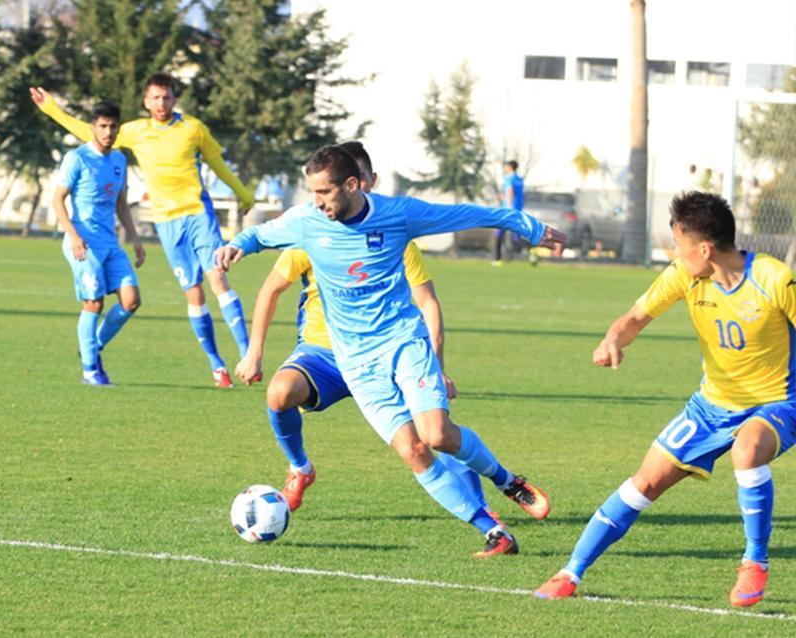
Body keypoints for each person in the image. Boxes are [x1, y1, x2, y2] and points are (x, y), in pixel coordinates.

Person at [217, 145, 567, 555]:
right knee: (413, 451)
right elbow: (262, 233)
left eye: (324, 192)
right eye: (312, 192)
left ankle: (507, 480)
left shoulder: (398, 214)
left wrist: (529, 227)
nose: (317, 202)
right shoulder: (308, 221)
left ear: (352, 185)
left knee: (437, 435)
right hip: (355, 362)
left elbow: (470, 214)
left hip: (403, 342)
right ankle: (494, 531)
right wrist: (236, 245)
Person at [535, 191, 796, 607]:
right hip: (711, 405)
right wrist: (612, 339)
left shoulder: (774, 279)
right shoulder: (683, 275)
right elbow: (635, 318)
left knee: (747, 449)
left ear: (705, 249)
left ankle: (754, 561)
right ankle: (570, 571)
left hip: (778, 401)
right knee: (646, 481)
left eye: (679, 244)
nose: (676, 253)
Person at [31, 73, 255, 388]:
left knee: (215, 279)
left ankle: (247, 355)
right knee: (192, 292)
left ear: (174, 99)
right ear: (146, 101)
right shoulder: (133, 132)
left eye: (166, 97)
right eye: (155, 98)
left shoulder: (193, 128)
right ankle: (216, 365)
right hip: (164, 222)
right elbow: (90, 131)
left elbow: (218, 164)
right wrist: (52, 110)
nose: (161, 103)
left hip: (197, 213)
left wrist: (242, 192)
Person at [52, 101, 146, 386]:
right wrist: (73, 235)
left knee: (131, 301)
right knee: (94, 303)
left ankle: (92, 347)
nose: (108, 132)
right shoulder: (77, 158)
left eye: (113, 126)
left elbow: (121, 204)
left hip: (110, 243)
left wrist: (135, 239)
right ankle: (91, 371)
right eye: (103, 126)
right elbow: (57, 200)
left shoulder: (119, 160)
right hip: (84, 242)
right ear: (92, 127)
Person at [492, 160, 524, 266]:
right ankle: (531, 253)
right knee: (516, 236)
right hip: (518, 210)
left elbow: (509, 191)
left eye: (505, 166)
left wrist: (508, 205)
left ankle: (497, 259)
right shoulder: (519, 179)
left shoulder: (509, 178)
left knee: (499, 233)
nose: (504, 168)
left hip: (508, 210)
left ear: (510, 167)